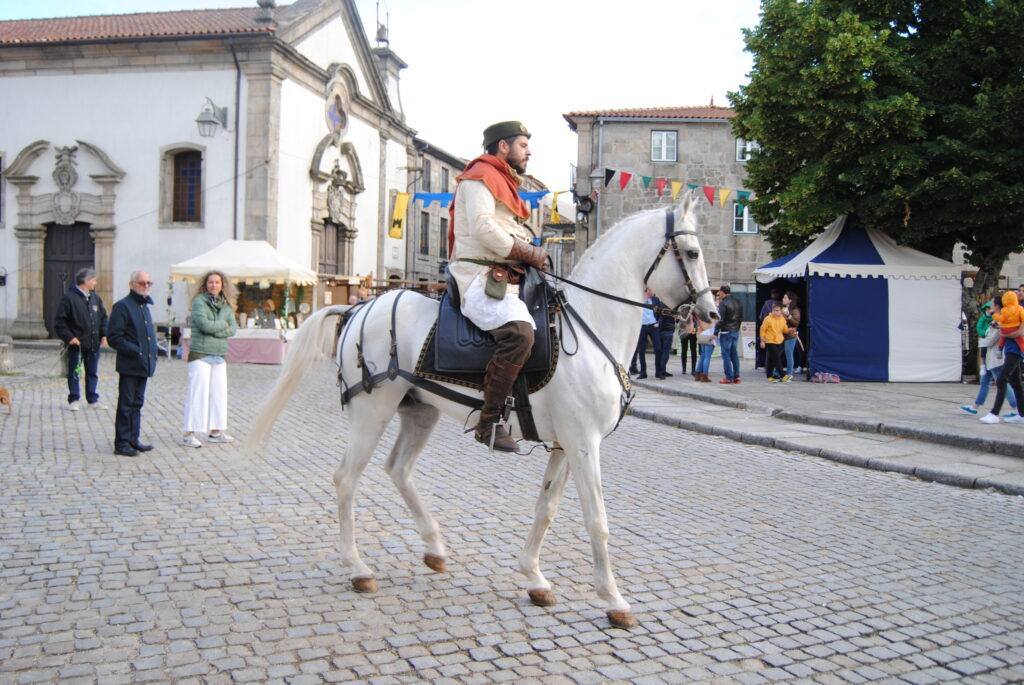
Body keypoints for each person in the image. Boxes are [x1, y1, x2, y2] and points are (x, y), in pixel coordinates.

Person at [447, 120, 547, 452]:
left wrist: (532, 250)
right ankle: (488, 422)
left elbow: (508, 230)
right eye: (523, 145)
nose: (529, 152)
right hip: (479, 277)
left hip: (507, 276)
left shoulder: (502, 180)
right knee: (521, 334)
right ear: (503, 146)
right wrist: (528, 252)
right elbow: (483, 229)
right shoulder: (479, 177)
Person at [182, 271, 238, 448]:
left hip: (219, 355)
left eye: (217, 282)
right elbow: (204, 326)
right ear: (205, 284)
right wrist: (223, 324)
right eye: (211, 282)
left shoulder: (226, 305)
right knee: (197, 394)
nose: (214, 285)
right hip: (201, 354)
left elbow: (233, 329)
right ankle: (189, 434)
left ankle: (215, 432)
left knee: (219, 395)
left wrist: (218, 329)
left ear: (222, 285)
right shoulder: (199, 302)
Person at [106, 270, 158, 456]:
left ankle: (133, 439)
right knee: (126, 404)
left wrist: (151, 355)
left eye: (148, 283)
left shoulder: (144, 306)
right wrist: (136, 350)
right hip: (130, 364)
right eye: (142, 282)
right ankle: (121, 443)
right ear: (131, 284)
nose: (146, 286)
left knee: (137, 404)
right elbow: (114, 337)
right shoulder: (123, 306)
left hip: (143, 364)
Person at [53, 267, 108, 411]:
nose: (96, 282)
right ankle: (74, 399)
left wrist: (104, 334)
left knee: (92, 372)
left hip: (94, 343)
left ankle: (92, 399)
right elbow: (59, 322)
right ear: (86, 281)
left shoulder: (95, 298)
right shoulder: (69, 298)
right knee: (75, 373)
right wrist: (69, 337)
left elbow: (103, 318)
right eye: (94, 280)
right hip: (76, 345)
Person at [962, 298, 1018, 416]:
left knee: (1002, 384)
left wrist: (982, 341)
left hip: (995, 358)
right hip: (990, 357)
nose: (990, 306)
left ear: (997, 306)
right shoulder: (994, 319)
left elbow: (991, 339)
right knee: (985, 382)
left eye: (992, 304)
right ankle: (975, 407)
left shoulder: (1000, 320)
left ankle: (1016, 407)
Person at [980, 291, 1024, 424]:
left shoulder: (1018, 312)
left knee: (1001, 379)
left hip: (1016, 350)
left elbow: (1020, 332)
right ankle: (1022, 414)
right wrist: (1001, 328)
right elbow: (1005, 327)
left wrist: (1004, 333)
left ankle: (994, 413)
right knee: (1016, 383)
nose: (991, 306)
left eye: (992, 304)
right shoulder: (1005, 315)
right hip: (1010, 350)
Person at [717, 284, 743, 384]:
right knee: (734, 354)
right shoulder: (738, 302)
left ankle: (729, 377)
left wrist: (715, 332)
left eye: (719, 292)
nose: (719, 294)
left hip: (726, 332)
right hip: (735, 331)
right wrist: (737, 328)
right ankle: (737, 376)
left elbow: (721, 320)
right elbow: (741, 318)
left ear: (722, 292)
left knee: (726, 355)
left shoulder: (723, 303)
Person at [630, 288, 659, 379]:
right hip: (642, 326)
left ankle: (658, 372)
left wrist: (658, 322)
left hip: (653, 326)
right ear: (646, 291)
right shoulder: (638, 299)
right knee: (641, 351)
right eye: (650, 290)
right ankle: (643, 373)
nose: (652, 292)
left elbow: (661, 312)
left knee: (658, 349)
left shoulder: (655, 300)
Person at [760, 302, 788, 382]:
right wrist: (762, 341)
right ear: (772, 310)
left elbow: (785, 330)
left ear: (781, 311)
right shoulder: (767, 319)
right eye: (775, 310)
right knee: (777, 359)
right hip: (770, 341)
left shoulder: (782, 319)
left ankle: (769, 376)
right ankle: (783, 375)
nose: (776, 312)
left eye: (778, 310)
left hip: (780, 341)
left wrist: (790, 330)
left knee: (771, 359)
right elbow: (762, 330)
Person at [781, 291, 802, 382]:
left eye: (785, 298)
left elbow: (796, 323)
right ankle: (777, 372)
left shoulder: (795, 310)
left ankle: (789, 374)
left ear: (790, 300)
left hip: (790, 336)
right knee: (779, 354)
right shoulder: (783, 309)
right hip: (782, 335)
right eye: (783, 297)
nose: (783, 299)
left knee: (789, 355)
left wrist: (788, 316)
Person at [653, 295, 675, 380]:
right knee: (665, 353)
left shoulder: (659, 303)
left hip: (660, 329)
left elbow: (656, 315)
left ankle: (661, 371)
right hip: (668, 330)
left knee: (661, 353)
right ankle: (661, 371)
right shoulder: (671, 305)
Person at [693, 317, 717, 382]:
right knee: (707, 357)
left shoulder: (702, 315)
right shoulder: (713, 316)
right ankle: (704, 376)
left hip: (702, 336)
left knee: (702, 356)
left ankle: (697, 374)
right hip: (709, 337)